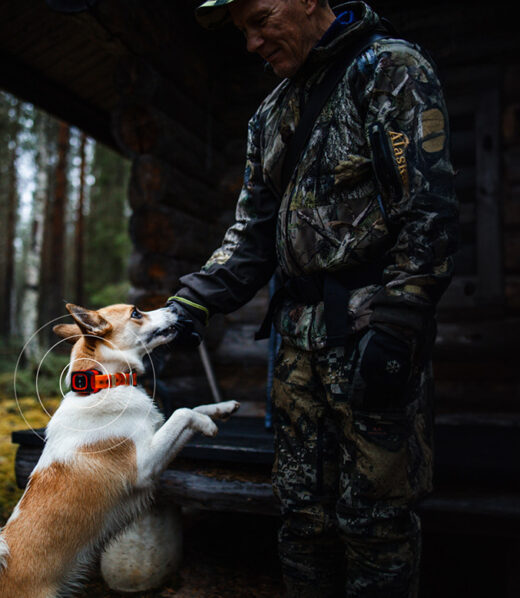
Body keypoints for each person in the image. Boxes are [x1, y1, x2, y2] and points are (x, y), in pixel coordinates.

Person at [166, 0, 459, 596]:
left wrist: (399, 327)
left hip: (373, 338)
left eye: (260, 19)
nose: (250, 43)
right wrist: (186, 307)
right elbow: (251, 237)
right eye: (241, 30)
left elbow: (427, 211)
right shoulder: (270, 114)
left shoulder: (389, 70)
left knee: (375, 523)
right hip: (297, 351)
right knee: (302, 518)